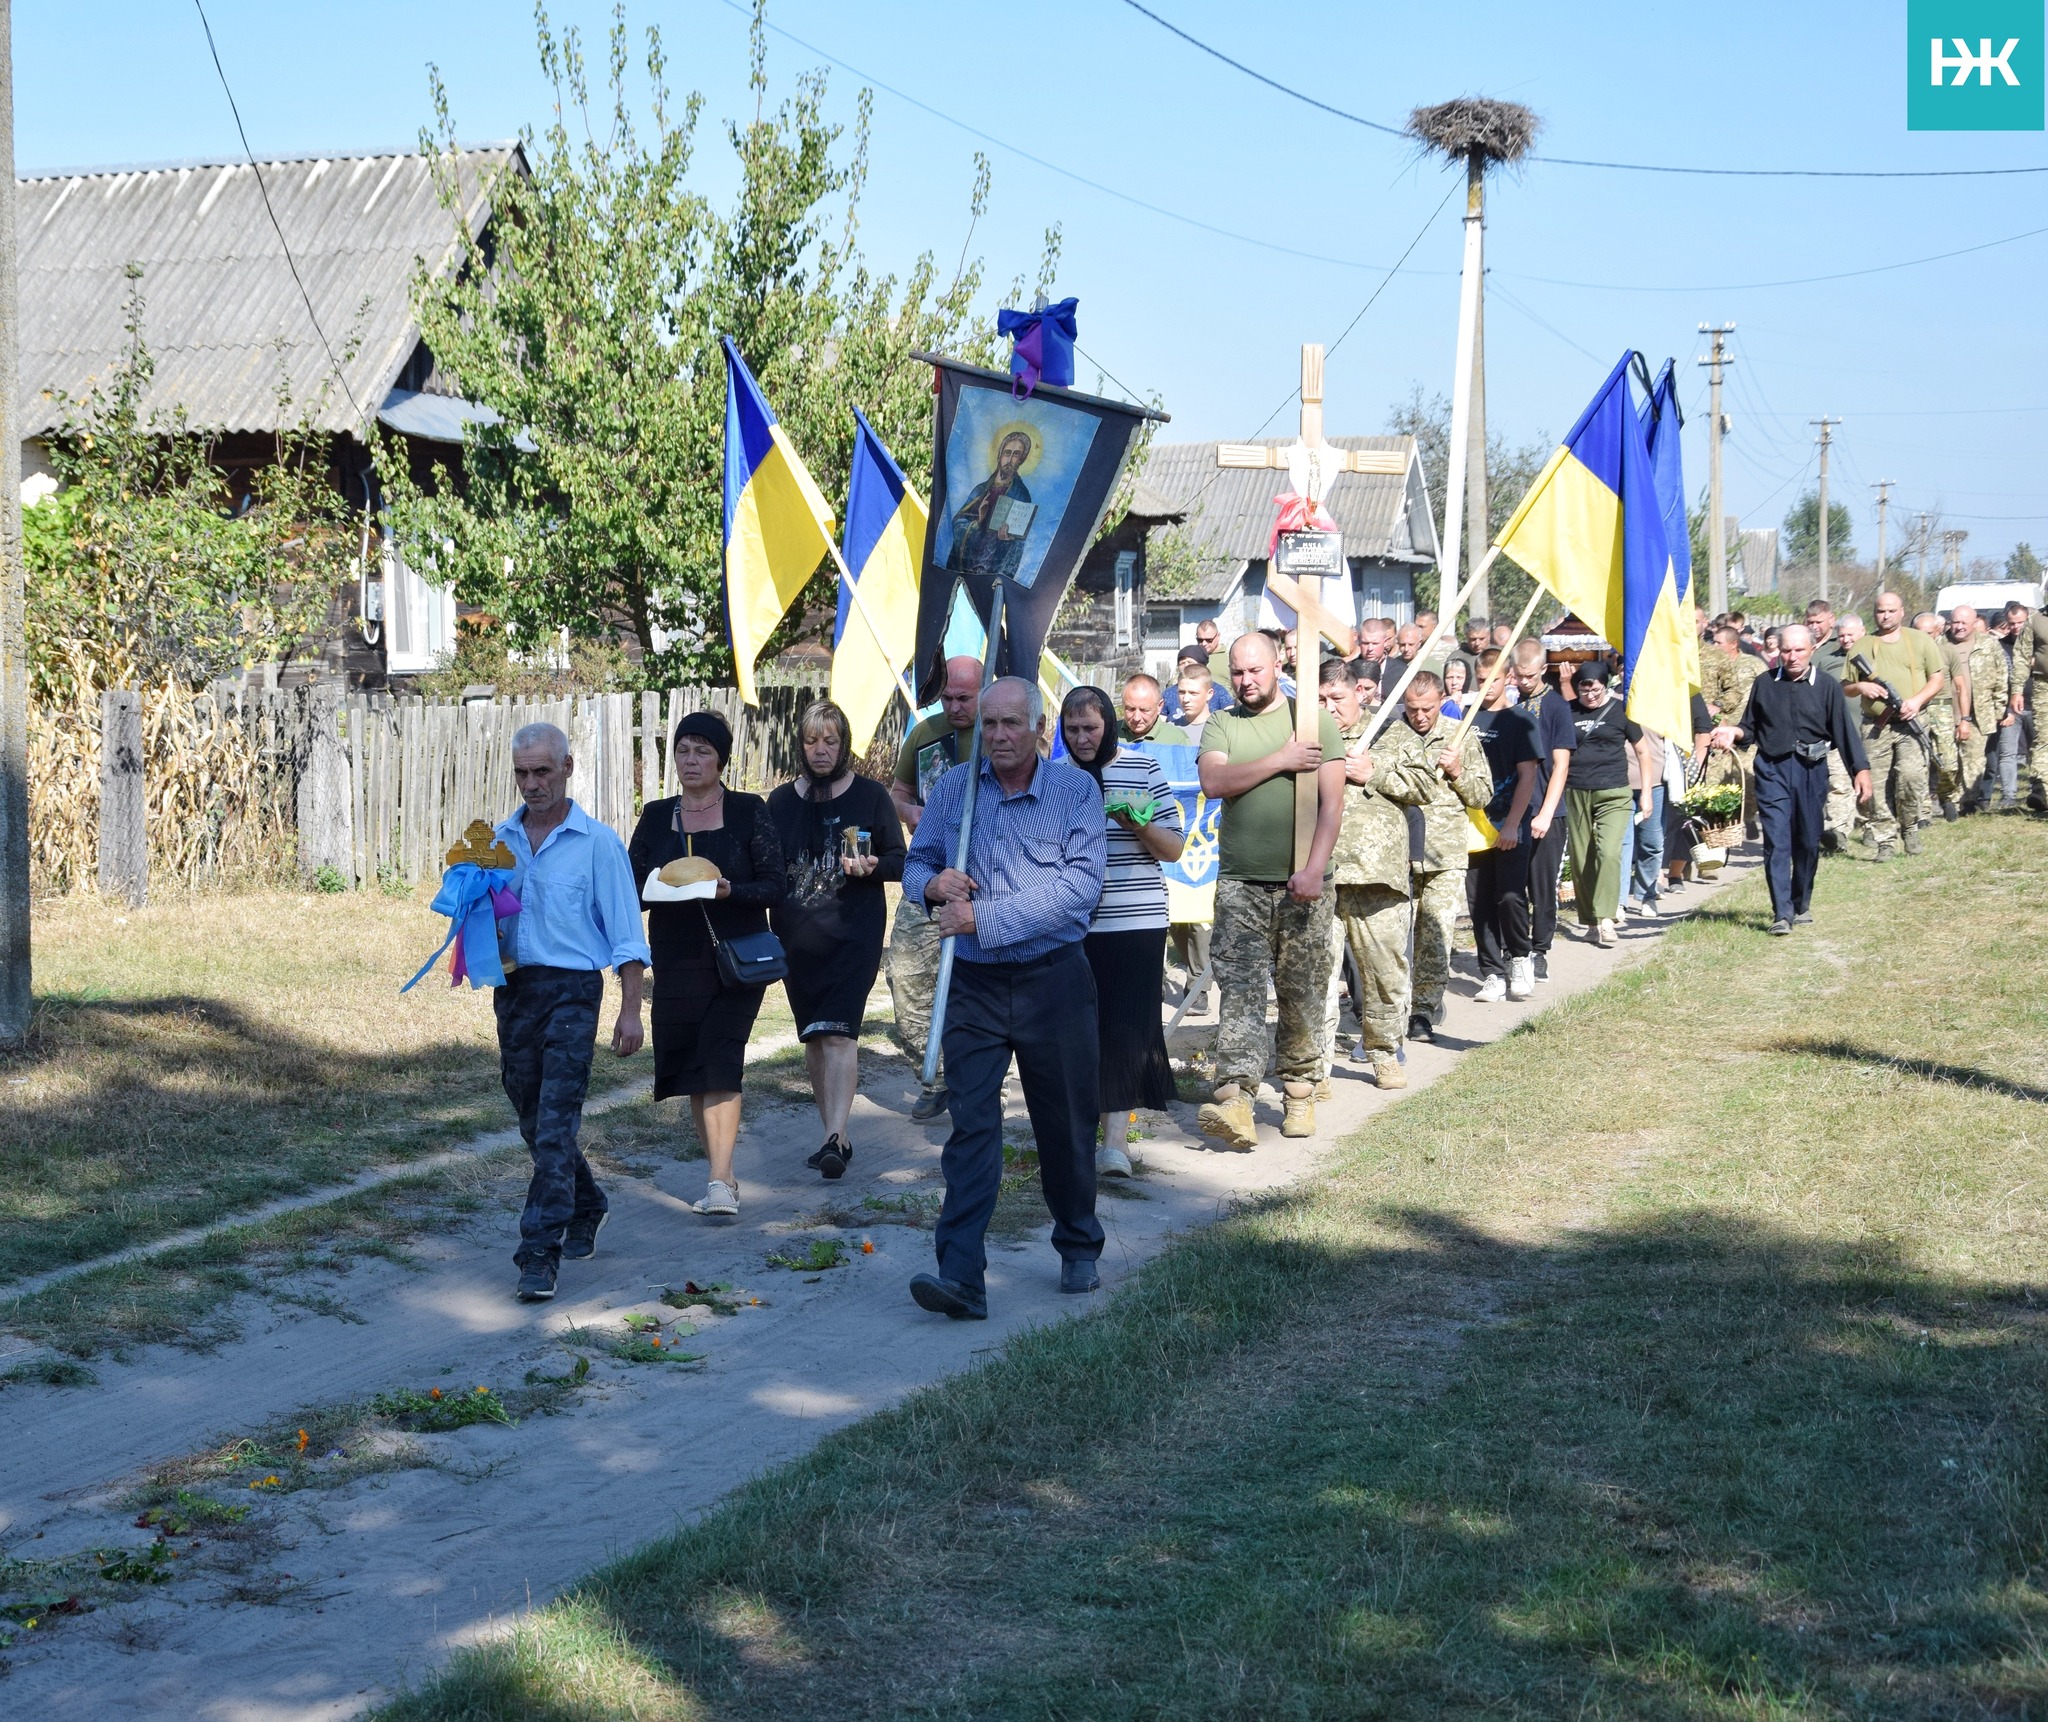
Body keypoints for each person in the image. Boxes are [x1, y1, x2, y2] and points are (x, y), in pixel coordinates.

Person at [900, 677, 1108, 1319]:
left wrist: (983, 917)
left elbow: (1080, 891)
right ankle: (960, 1273)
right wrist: (935, 883)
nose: (997, 737)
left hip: (1055, 980)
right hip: (975, 984)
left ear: (1038, 726)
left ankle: (1078, 1243)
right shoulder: (955, 789)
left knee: (1065, 1122)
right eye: (988, 725)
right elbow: (915, 868)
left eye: (1011, 724)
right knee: (972, 1126)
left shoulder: (1076, 791)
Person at [492, 722, 650, 1303]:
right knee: (533, 1118)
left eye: (542, 771)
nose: (532, 783)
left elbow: (628, 936)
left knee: (557, 1121)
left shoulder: (597, 844)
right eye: (522, 773)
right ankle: (587, 1201)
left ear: (567, 767)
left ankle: (539, 1250)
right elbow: (479, 917)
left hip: (573, 993)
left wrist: (631, 1011)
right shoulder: (499, 840)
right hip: (513, 993)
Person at [629, 712, 786, 1219]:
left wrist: (730, 890)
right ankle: (723, 1173)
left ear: (721, 759)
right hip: (675, 962)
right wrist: (650, 891)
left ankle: (719, 1179)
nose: (691, 760)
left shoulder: (747, 811)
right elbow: (631, 887)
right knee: (695, 1069)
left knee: (720, 1060)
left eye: (702, 750)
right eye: (683, 750)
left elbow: (774, 885)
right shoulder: (655, 816)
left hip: (735, 959)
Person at [1197, 631, 1345, 1147]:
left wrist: (1313, 868)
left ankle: (1299, 1092)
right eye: (1237, 672)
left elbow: (1332, 805)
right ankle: (1236, 1097)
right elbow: (1215, 783)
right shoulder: (1223, 722)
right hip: (1241, 883)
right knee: (1239, 990)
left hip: (1304, 884)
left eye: (1255, 670)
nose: (1246, 680)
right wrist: (1281, 760)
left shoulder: (1312, 720)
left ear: (1278, 663)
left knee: (1300, 989)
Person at [767, 700, 906, 1182]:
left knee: (841, 1034)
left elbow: (900, 860)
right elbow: (765, 870)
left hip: (854, 934)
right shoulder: (781, 803)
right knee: (815, 1037)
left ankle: (834, 1135)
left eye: (831, 740)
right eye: (811, 741)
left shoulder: (870, 796)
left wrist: (873, 867)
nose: (821, 750)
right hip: (797, 940)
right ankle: (836, 1136)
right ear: (799, 745)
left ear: (844, 744)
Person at [1059, 686, 1185, 1179]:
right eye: (1072, 730)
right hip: (1071, 923)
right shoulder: (1056, 778)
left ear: (1108, 723)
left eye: (1090, 727)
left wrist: (1136, 824)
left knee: (1126, 1027)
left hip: (1136, 922)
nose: (1082, 738)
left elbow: (1173, 848)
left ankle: (1113, 1145)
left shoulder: (1142, 768)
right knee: (1075, 1030)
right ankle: (1078, 1134)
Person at [1708, 624, 1870, 934]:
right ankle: (1781, 913)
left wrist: (1860, 770)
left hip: (1812, 771)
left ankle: (1800, 902)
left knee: (1808, 841)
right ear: (1778, 651)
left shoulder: (1826, 686)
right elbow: (1750, 728)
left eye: (1799, 650)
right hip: (1772, 770)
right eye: (1786, 650)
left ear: (1811, 650)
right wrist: (1734, 732)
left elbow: (1844, 732)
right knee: (1777, 842)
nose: (1792, 656)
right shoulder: (1764, 684)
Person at [888, 655, 982, 1120]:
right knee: (904, 975)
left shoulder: (1004, 733)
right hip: (930, 874)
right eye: (947, 697)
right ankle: (936, 1075)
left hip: (989, 881)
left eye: (965, 697)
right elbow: (899, 792)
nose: (954, 706)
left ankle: (983, 1089)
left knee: (982, 986)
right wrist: (911, 814)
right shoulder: (925, 733)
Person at [1314, 659, 1412, 1091]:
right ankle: (1314, 1067)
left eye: (1337, 698)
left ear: (1360, 693)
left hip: (1377, 876)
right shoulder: (1306, 739)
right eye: (1320, 699)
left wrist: (1375, 772)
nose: (1329, 707)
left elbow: (1426, 786)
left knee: (1384, 972)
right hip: (1321, 872)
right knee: (1317, 974)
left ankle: (1384, 1052)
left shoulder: (1390, 733)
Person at [1377, 672, 1491, 1041]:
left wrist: (1458, 771)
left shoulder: (1461, 735)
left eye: (1427, 708)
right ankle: (1390, 1007)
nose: (1420, 716)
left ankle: (1423, 1010)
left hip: (1445, 854)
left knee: (1435, 935)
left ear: (1441, 700)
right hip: (1399, 851)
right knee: (1392, 936)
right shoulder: (1391, 735)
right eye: (1412, 709)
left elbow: (1481, 794)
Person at [1842, 591, 1945, 859]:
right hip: (1876, 725)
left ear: (1901, 612)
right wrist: (1861, 686)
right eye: (1880, 611)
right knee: (1876, 783)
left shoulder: (1920, 641)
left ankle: (1909, 826)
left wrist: (1917, 700)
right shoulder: (1862, 646)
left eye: (1891, 611)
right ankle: (1885, 840)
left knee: (1911, 776)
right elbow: (1845, 687)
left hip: (1912, 721)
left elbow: (1936, 679)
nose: (1885, 616)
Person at [1465, 649, 1541, 1003]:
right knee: (1479, 902)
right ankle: (1492, 973)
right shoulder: (1468, 719)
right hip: (1473, 826)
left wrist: (1512, 824)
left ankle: (1521, 958)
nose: (1486, 686)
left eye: (1492, 680)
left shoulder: (1521, 720)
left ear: (1508, 678)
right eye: (1480, 680)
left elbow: (1528, 775)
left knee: (1510, 896)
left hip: (1509, 822)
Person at [1563, 660, 1651, 948]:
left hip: (1614, 791)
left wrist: (1646, 792)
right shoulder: (1568, 711)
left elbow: (1642, 751)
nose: (1590, 695)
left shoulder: (1620, 710)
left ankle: (1606, 918)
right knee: (1581, 858)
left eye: (1596, 689)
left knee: (1610, 851)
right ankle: (1589, 919)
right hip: (1576, 790)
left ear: (1606, 685)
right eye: (1584, 689)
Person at [1508, 640, 1577, 982]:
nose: (1524, 682)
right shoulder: (1511, 704)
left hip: (1547, 810)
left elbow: (1561, 764)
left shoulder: (1556, 707)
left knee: (1542, 886)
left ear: (1543, 669)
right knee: (1512, 886)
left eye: (1530, 676)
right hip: (1514, 811)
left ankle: (1540, 949)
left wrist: (1546, 812)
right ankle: (1516, 947)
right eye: (1519, 676)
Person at [946, 428, 1034, 580]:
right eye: (1007, 453)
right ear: (1000, 455)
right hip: (966, 565)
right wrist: (978, 522)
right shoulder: (981, 490)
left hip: (992, 571)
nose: (1010, 459)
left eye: (1016, 454)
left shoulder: (1021, 495)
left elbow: (1019, 546)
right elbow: (957, 524)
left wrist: (1007, 540)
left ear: (1021, 460)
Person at [1951, 605, 2010, 811]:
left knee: (1974, 759)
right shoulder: (1940, 644)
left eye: (1963, 623)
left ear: (1974, 623)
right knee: (1950, 760)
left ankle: (1967, 801)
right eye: (1955, 622)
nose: (1958, 627)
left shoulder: (1989, 645)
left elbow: (2001, 676)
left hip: (1980, 711)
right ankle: (1950, 798)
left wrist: (2000, 707)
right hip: (1947, 711)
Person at [1915, 611, 1967, 819]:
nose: (1924, 637)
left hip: (1942, 708)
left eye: (1929, 632)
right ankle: (1923, 810)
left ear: (1937, 631)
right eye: (1920, 633)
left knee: (1948, 762)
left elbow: (1961, 687)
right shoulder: (1909, 652)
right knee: (1919, 762)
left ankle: (1947, 796)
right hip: (1917, 708)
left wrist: (1964, 719)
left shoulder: (1948, 652)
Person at [2007, 599, 2048, 810]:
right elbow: (2021, 656)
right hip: (2043, 686)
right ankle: (2042, 789)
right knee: (2043, 738)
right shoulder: (2035, 621)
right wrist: (2017, 690)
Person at [1162, 643, 1234, 722]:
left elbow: (1229, 716)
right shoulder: (1168, 693)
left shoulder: (1219, 691)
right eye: (1182, 663)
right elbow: (1161, 720)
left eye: (1190, 662)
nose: (1186, 665)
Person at [1119, 672, 1188, 746]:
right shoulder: (1109, 733)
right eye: (1130, 709)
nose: (1136, 718)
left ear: (1160, 706)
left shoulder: (1176, 740)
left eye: (1144, 710)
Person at [1173, 662, 1220, 745]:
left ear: (1209, 694)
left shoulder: (1220, 730)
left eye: (1193, 693)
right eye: (1182, 692)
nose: (1186, 699)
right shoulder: (1170, 729)